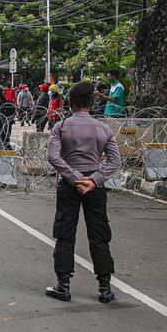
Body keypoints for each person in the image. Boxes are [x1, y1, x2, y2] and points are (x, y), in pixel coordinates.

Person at [44, 82, 120, 304]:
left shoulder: (62, 127)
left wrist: (75, 178)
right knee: (99, 234)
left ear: (70, 102)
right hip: (94, 187)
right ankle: (105, 288)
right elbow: (114, 161)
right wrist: (93, 180)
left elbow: (54, 157)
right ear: (93, 102)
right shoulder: (103, 128)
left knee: (65, 233)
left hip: (70, 185)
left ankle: (63, 285)